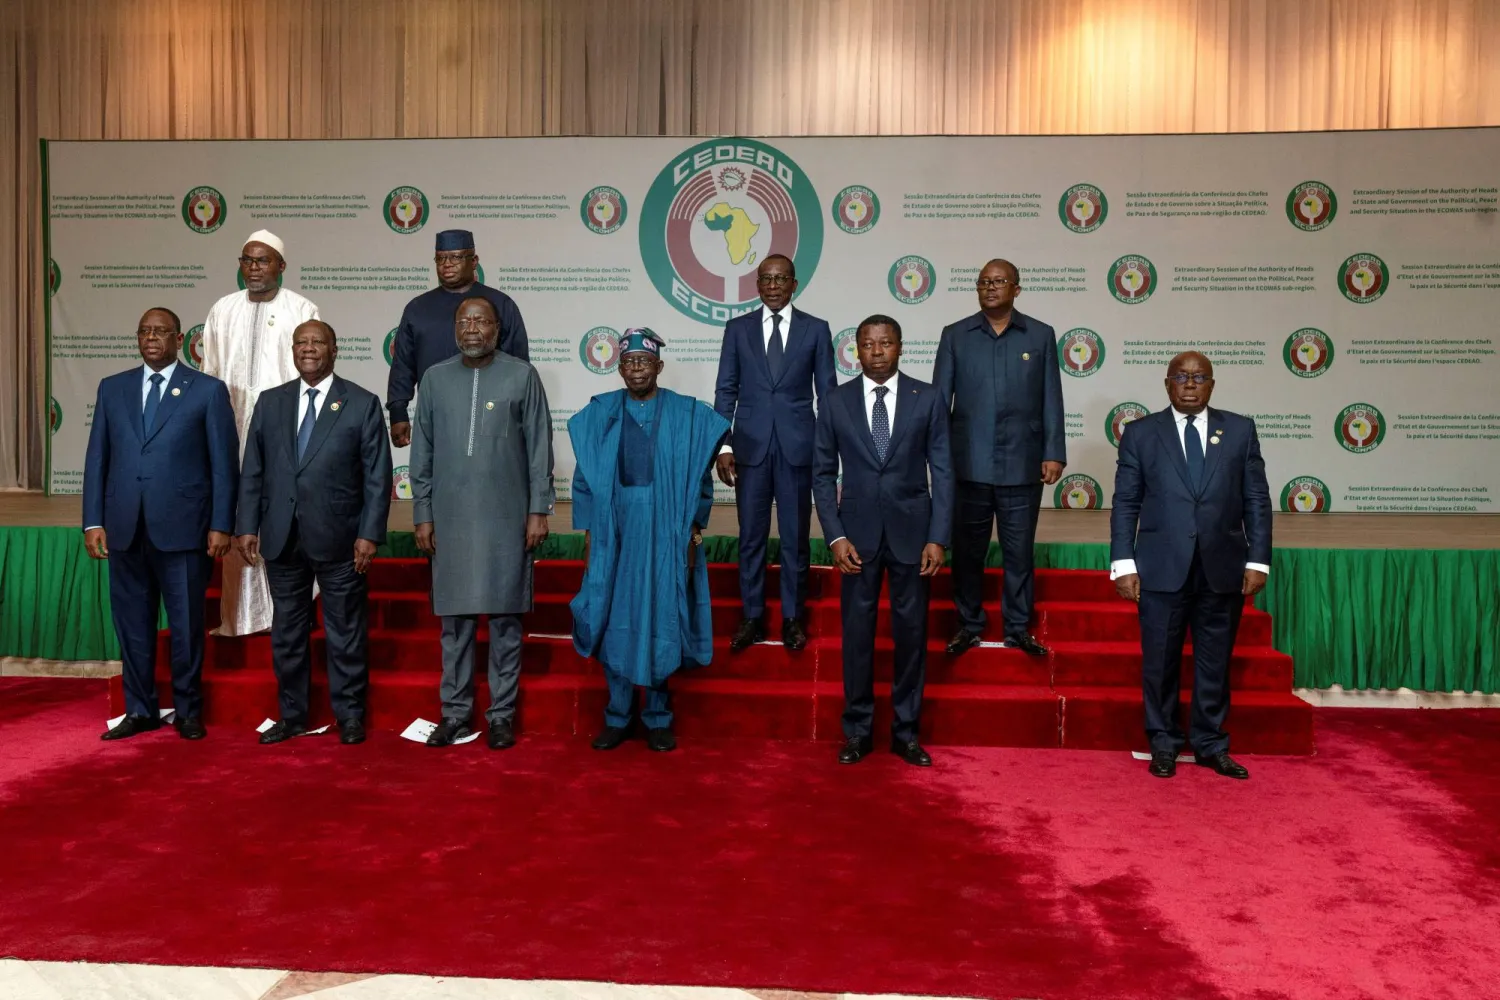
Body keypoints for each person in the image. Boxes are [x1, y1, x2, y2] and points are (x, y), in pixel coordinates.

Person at [1109, 351, 1271, 780]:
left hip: (1223, 566)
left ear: (1212, 385)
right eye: (1181, 376)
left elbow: (1256, 499)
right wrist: (1123, 563)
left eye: (1199, 377)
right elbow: (1126, 502)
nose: (1190, 384)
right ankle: (1163, 743)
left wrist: (1259, 560)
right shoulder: (1141, 434)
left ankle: (1210, 744)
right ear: (1167, 384)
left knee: (1214, 661)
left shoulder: (1239, 430)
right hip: (1161, 567)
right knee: (1160, 661)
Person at [569, 330, 729, 753]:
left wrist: (695, 525)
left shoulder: (684, 414)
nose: (636, 368)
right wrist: (588, 531)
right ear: (619, 368)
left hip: (665, 532)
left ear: (659, 366)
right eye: (628, 363)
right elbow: (585, 479)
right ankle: (618, 716)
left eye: (644, 361)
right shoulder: (599, 414)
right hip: (614, 533)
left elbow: (700, 474)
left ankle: (658, 717)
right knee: (612, 621)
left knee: (661, 618)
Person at [234, 320, 392, 746]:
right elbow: (254, 471)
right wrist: (247, 525)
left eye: (317, 342)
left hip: (342, 540)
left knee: (345, 632)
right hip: (282, 538)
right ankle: (292, 715)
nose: (308, 349)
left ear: (334, 349)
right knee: (287, 633)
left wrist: (369, 534)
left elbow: (378, 477)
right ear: (292, 350)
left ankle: (351, 716)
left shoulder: (361, 403)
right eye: (300, 342)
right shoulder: (270, 403)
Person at [84, 307, 238, 741]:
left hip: (185, 529)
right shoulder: (112, 389)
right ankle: (140, 709)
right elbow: (98, 459)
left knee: (187, 626)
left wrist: (222, 523)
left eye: (160, 332)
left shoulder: (206, 391)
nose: (151, 338)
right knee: (132, 625)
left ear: (178, 339)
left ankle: (188, 710)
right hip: (124, 529)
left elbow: (223, 465)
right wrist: (92, 521)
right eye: (144, 331)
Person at [410, 296, 554, 749]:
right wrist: (422, 513)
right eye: (464, 321)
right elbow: (422, 454)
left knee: (506, 622)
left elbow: (538, 451)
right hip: (450, 520)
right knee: (455, 625)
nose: (472, 328)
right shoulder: (434, 379)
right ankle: (455, 714)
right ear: (456, 328)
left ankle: (501, 716)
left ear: (497, 328)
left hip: (507, 519)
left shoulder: (522, 375)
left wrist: (537, 512)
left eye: (482, 321)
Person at [812, 315, 953, 768]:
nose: (877, 351)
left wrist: (938, 537)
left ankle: (906, 734)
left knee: (912, 637)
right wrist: (834, 535)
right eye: (868, 344)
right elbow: (820, 474)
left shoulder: (927, 398)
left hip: (915, 538)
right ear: (856, 350)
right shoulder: (835, 401)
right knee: (857, 638)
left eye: (886, 343)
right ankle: (857, 731)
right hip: (855, 539)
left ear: (899, 347)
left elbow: (944, 472)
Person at [933, 258, 1065, 658]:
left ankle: (1017, 627)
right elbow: (940, 403)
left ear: (1016, 289)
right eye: (984, 282)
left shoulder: (1040, 336)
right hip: (967, 464)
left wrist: (1053, 452)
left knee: (1019, 552)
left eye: (999, 282)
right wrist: (939, 460)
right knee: (968, 552)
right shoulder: (955, 335)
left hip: (1022, 464)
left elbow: (1051, 399)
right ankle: (969, 624)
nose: (990, 287)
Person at [713, 253, 835, 652]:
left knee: (795, 538)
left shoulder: (816, 330)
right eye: (766, 278)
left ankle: (793, 618)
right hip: (749, 448)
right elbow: (726, 390)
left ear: (794, 284)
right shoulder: (737, 329)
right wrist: (724, 443)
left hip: (799, 449)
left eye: (781, 278)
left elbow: (828, 397)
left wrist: (828, 450)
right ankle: (752, 617)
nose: (773, 285)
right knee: (750, 537)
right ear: (757, 284)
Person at [201, 230, 321, 637]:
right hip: (231, 428)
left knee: (281, 517)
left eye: (263, 260)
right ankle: (240, 619)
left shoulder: (301, 308)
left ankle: (286, 618)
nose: (254, 268)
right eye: (248, 260)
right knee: (241, 515)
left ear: (281, 266)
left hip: (282, 432)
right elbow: (210, 375)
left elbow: (312, 372)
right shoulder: (222, 309)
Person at [386, 229, 529, 449]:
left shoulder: (499, 304)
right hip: (435, 413)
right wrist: (398, 412)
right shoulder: (417, 309)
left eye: (456, 257)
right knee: (436, 477)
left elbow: (518, 366)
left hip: (490, 413)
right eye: (441, 258)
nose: (447, 264)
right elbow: (403, 364)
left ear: (474, 261)